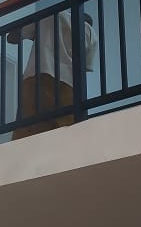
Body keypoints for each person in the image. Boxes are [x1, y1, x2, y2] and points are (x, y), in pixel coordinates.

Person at [7, 10, 96, 139]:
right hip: (69, 85)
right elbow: (86, 67)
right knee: (69, 132)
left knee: (27, 130)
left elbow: (12, 38)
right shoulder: (91, 34)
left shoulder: (52, 15)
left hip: (37, 75)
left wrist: (39, 34)